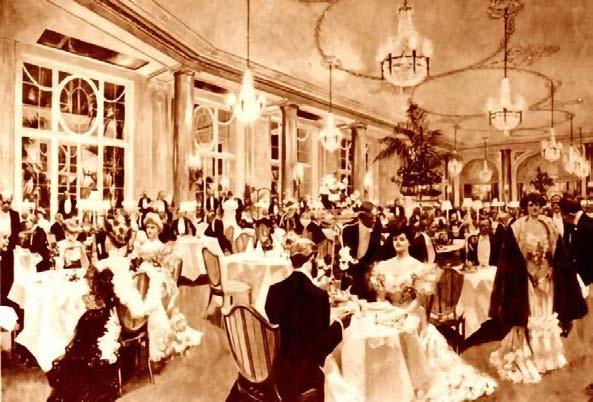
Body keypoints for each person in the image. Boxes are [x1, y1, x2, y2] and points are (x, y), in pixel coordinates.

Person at [489, 192, 587, 384]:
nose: (534, 208)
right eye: (530, 204)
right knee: (533, 313)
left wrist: (549, 270)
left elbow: (557, 252)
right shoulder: (517, 227)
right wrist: (528, 273)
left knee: (546, 313)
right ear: (525, 207)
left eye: (537, 204)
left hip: (547, 277)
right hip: (526, 278)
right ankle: (533, 355)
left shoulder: (549, 224)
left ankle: (549, 357)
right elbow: (511, 257)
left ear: (542, 206)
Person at [261, 244, 352, 401]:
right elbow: (322, 348)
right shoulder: (319, 296)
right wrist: (340, 324)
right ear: (311, 259)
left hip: (278, 370)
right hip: (304, 375)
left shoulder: (274, 290)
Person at [46, 266, 121, 402]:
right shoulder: (93, 297)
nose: (89, 283)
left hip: (99, 330)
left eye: (91, 281)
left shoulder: (102, 296)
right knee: (76, 354)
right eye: (88, 281)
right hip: (93, 329)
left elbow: (107, 315)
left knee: (81, 356)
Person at [341, 201, 381, 300]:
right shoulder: (348, 229)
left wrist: (371, 271)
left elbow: (376, 251)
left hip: (368, 272)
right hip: (352, 273)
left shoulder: (377, 227)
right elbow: (344, 254)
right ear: (362, 217)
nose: (374, 220)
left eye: (375, 217)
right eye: (371, 217)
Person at [559, 196, 593, 285]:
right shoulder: (577, 224)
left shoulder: (587, 226)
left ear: (570, 215)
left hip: (588, 274)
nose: (564, 220)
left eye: (564, 217)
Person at [0, 191, 21, 306]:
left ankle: (7, 302)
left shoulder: (15, 215)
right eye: (4, 202)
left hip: (9, 251)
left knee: (8, 276)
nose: (6, 205)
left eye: (9, 202)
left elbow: (17, 233)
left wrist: (9, 243)